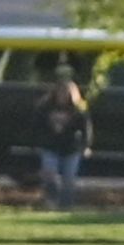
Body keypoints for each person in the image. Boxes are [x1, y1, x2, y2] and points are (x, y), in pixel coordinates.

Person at [33, 61, 89, 209]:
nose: (62, 95)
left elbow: (85, 128)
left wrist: (86, 145)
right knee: (49, 175)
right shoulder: (45, 106)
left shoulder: (77, 110)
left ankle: (66, 206)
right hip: (50, 146)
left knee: (69, 180)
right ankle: (50, 202)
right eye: (60, 91)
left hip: (71, 148)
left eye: (66, 92)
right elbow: (37, 125)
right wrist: (39, 141)